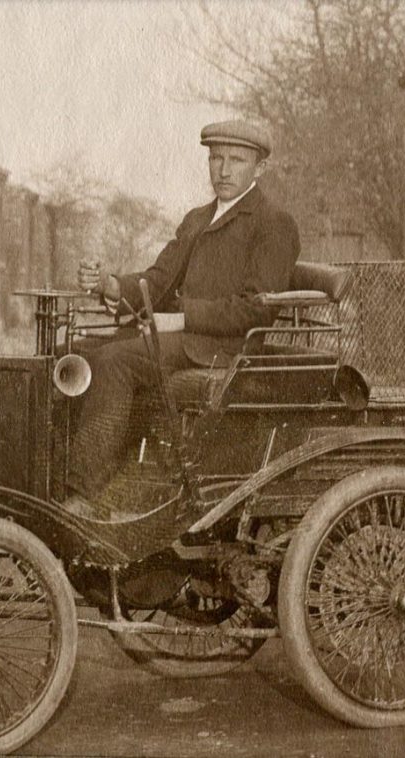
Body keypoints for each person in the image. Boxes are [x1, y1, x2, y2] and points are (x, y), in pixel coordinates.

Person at [64, 119, 300, 515]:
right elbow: (155, 283)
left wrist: (183, 319)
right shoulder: (196, 218)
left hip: (222, 349)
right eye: (216, 158)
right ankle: (67, 477)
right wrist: (109, 285)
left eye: (237, 161)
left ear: (260, 168)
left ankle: (85, 495)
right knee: (74, 353)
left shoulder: (273, 223)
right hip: (185, 341)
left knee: (115, 362)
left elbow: (256, 308)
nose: (223, 170)